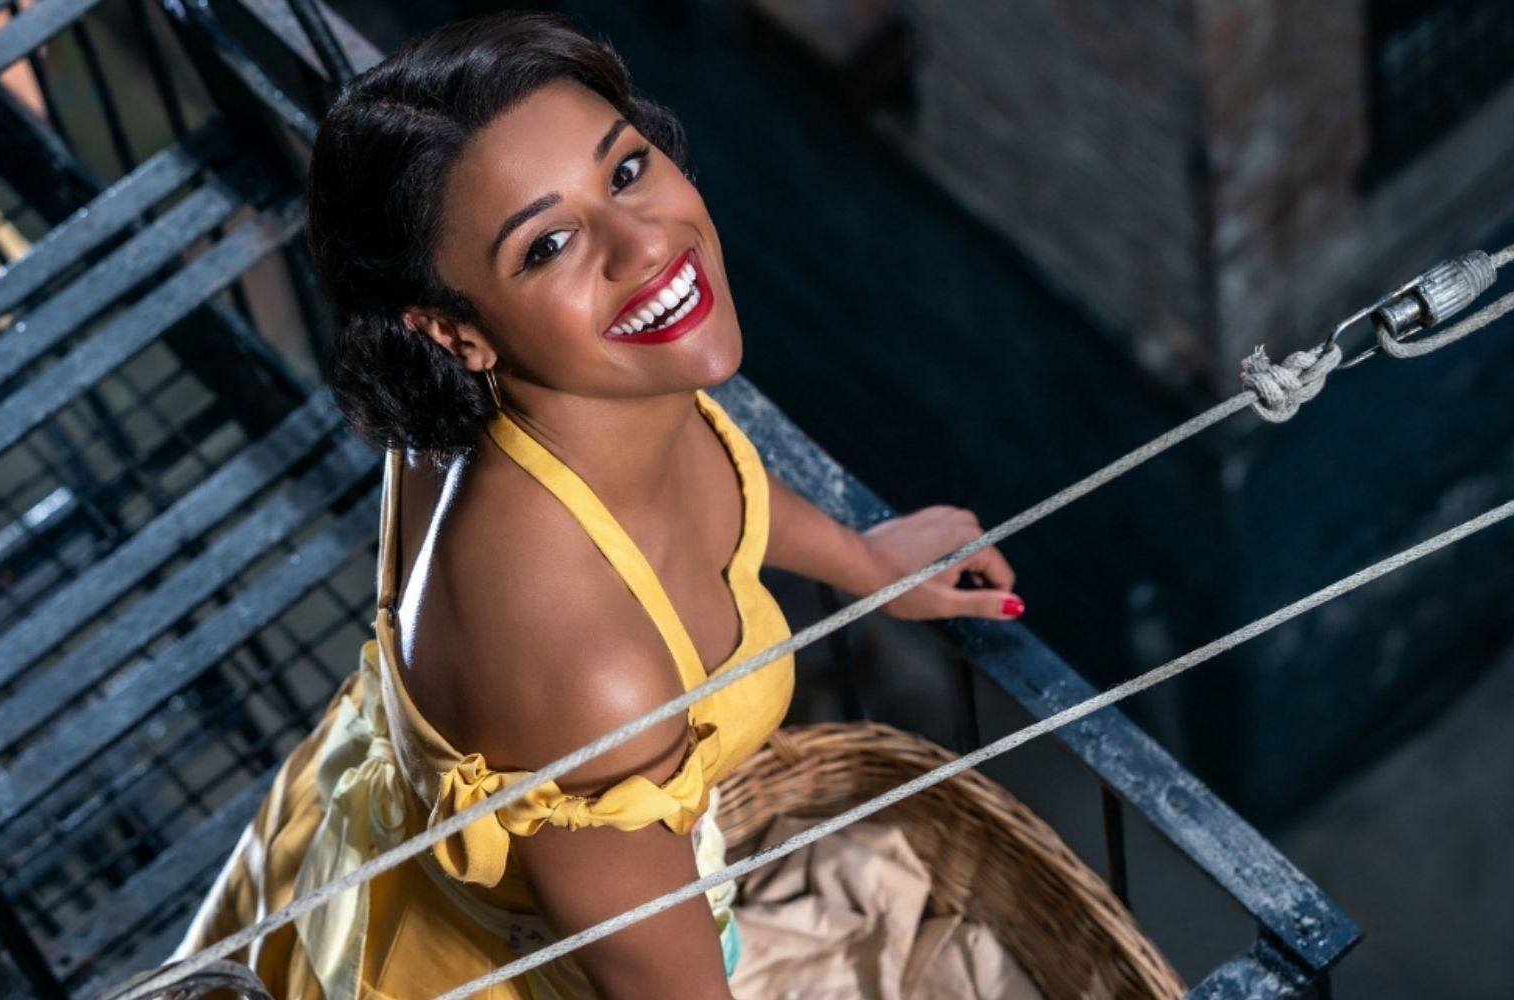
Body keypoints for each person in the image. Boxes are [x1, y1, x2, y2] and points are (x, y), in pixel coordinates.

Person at [172, 11, 1023, 998]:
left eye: (624, 170)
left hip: (359, 841)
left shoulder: (535, 394)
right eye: (547, 245)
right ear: (451, 330)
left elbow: (707, 484)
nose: (644, 245)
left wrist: (860, 558)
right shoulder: (588, 674)